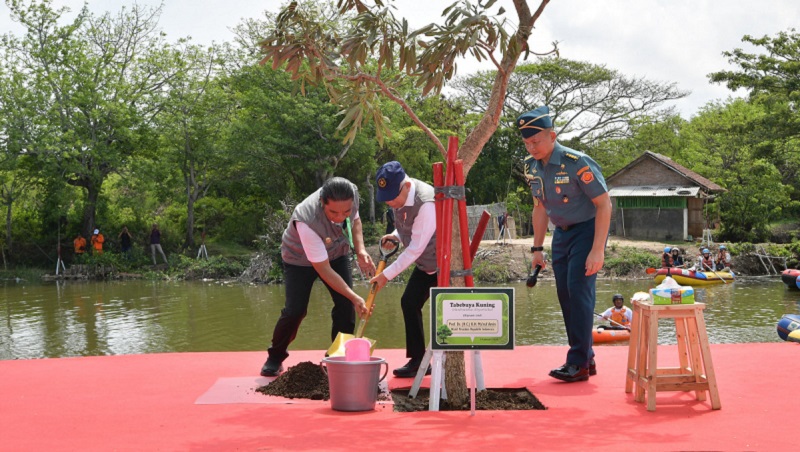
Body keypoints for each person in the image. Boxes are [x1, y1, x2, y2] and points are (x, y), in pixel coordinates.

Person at [519, 105, 611, 383]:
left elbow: (604, 204)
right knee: (565, 295)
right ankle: (586, 358)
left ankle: (578, 362)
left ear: (552, 135)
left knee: (579, 291)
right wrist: (537, 250)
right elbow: (538, 208)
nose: (532, 147)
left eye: (536, 141)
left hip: (587, 230)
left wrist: (598, 249)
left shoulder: (576, 161)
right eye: (527, 142)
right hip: (560, 233)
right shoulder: (530, 167)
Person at [260, 177, 376, 377]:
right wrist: (355, 296)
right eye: (333, 212)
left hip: (336, 251)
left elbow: (355, 220)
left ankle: (338, 358)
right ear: (322, 202)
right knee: (295, 310)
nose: (340, 217)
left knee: (345, 306)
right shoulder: (306, 219)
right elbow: (323, 269)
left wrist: (361, 250)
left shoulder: (351, 193)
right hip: (299, 258)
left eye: (345, 211)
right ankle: (275, 356)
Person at [370, 161, 437, 378]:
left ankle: (448, 364)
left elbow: (416, 248)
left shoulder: (426, 202)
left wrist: (385, 276)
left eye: (392, 197)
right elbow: (409, 227)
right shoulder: (400, 198)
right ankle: (419, 361)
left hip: (445, 265)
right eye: (386, 198)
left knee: (446, 313)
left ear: (406, 186)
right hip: (426, 264)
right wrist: (396, 236)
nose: (390, 203)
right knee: (409, 302)